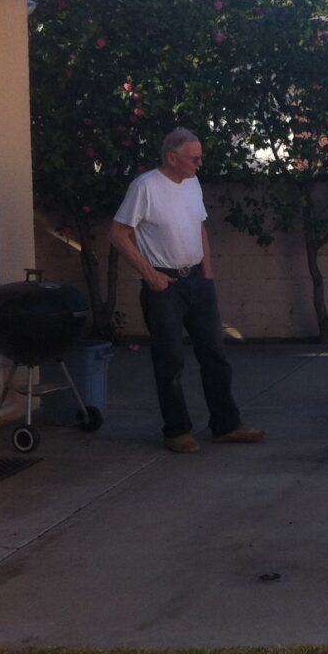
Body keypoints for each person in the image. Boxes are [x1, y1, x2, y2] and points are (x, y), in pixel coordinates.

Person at [110, 128, 264, 454]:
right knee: (170, 360)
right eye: (194, 158)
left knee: (215, 354)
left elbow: (200, 227)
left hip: (197, 281)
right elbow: (119, 234)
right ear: (172, 158)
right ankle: (176, 430)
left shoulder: (192, 183)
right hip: (164, 285)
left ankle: (226, 425)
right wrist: (150, 275)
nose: (199, 163)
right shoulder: (145, 187)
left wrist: (207, 272)